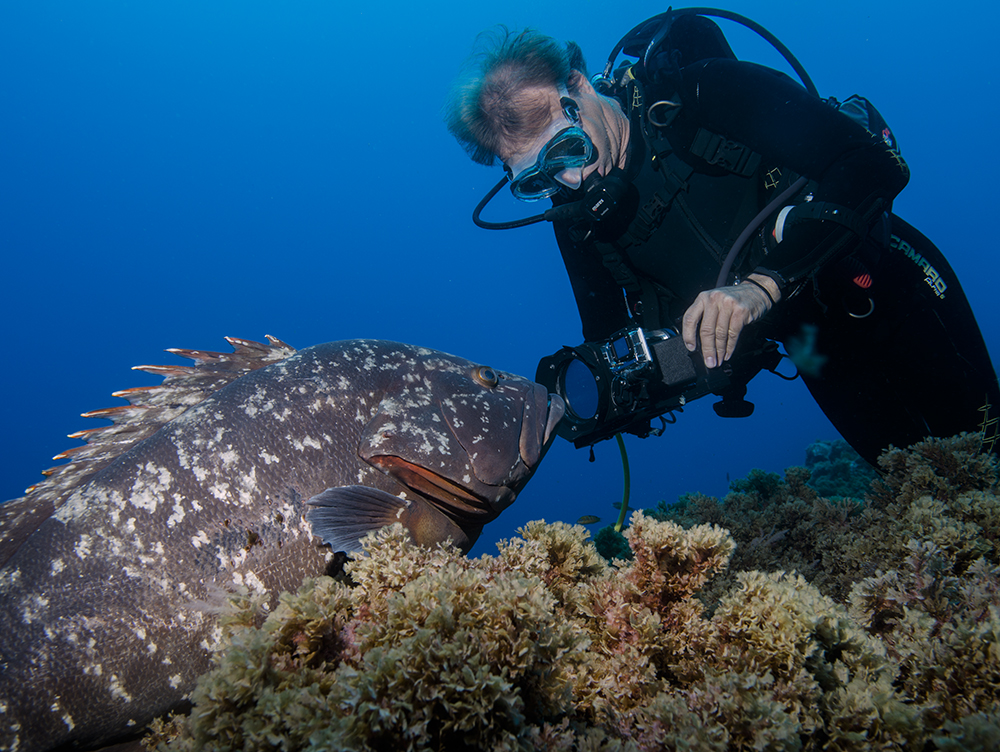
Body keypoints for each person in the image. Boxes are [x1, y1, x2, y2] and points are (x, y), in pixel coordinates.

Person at [445, 11, 1000, 467]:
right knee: (912, 485)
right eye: (536, 179)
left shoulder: (701, 94)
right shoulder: (578, 220)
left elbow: (869, 163)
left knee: (988, 451)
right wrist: (595, 398)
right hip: (814, 349)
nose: (570, 181)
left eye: (568, 148)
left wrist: (759, 287)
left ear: (580, 85)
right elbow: (621, 349)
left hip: (890, 284)